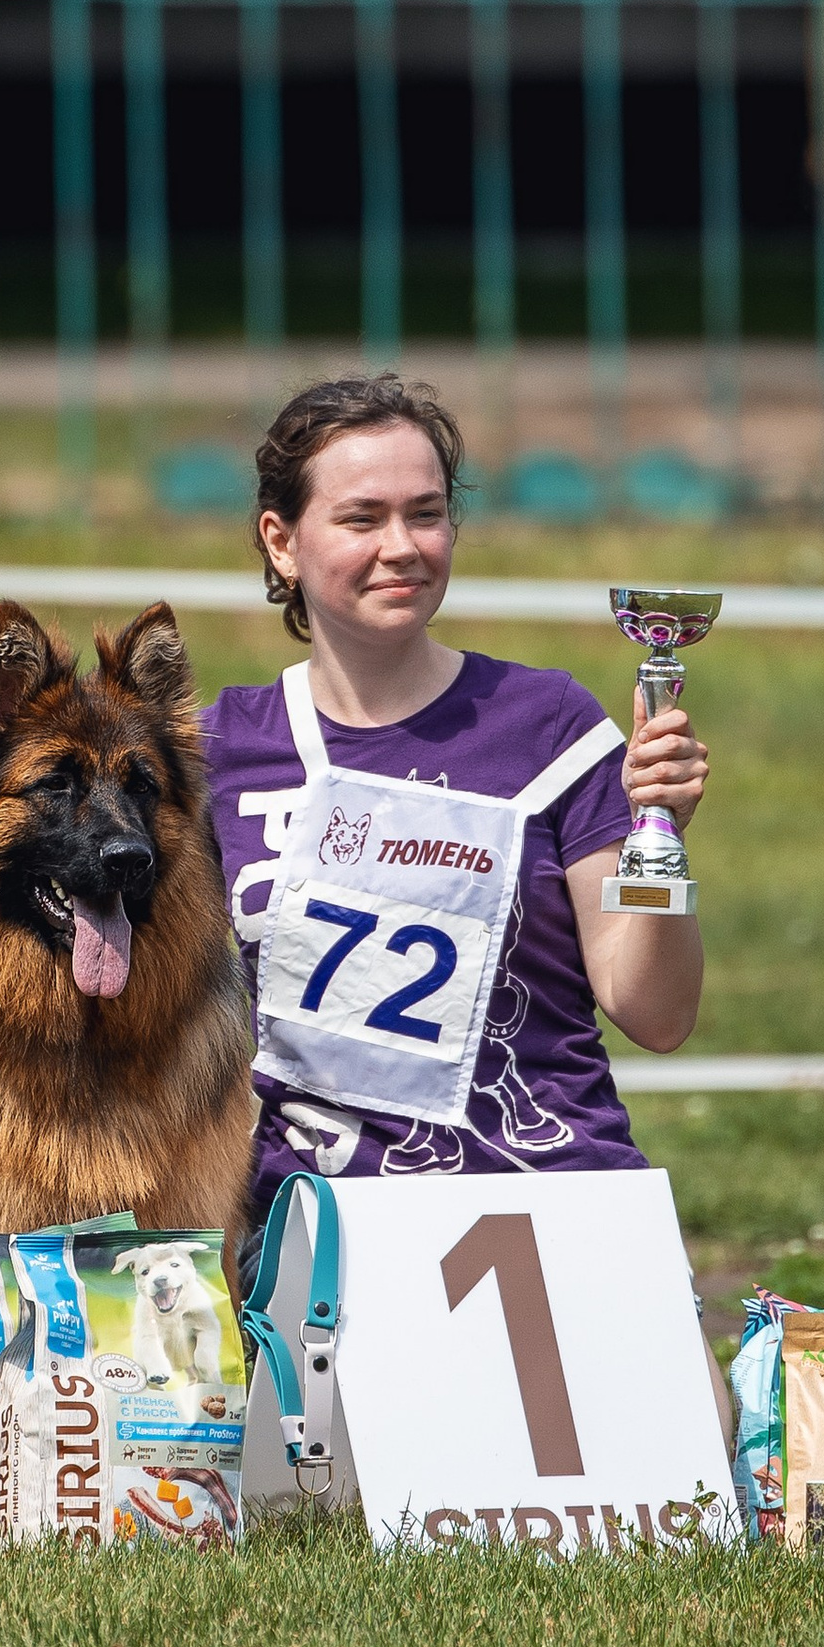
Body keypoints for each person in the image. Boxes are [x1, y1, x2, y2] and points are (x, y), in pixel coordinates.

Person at [201, 369, 712, 1235]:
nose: (402, 545)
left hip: (558, 1193)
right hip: (320, 1233)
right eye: (362, 517)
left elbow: (655, 1013)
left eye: (426, 513)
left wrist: (661, 840)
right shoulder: (214, 750)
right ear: (281, 542)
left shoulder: (549, 725)